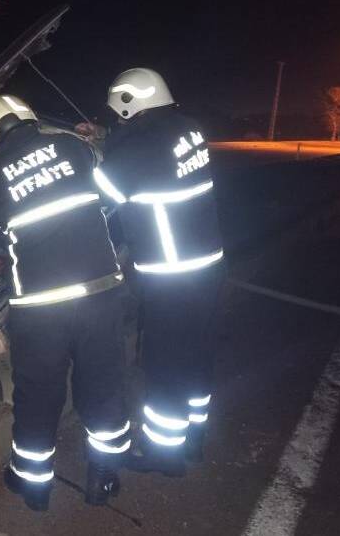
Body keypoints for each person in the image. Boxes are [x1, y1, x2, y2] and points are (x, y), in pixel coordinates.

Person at [0, 93, 130, 511]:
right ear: (28, 115)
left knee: (38, 393)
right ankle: (103, 477)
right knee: (103, 383)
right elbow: (110, 194)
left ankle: (34, 487)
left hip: (41, 308)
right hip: (99, 293)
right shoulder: (72, 147)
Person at [92, 68, 224, 476]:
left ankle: (165, 454)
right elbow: (149, 153)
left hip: (171, 274)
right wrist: (104, 137)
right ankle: (194, 437)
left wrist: (88, 149)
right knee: (196, 353)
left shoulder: (136, 151)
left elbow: (99, 191)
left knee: (164, 362)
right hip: (206, 265)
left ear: (128, 105)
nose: (116, 121)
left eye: (118, 115)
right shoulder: (187, 128)